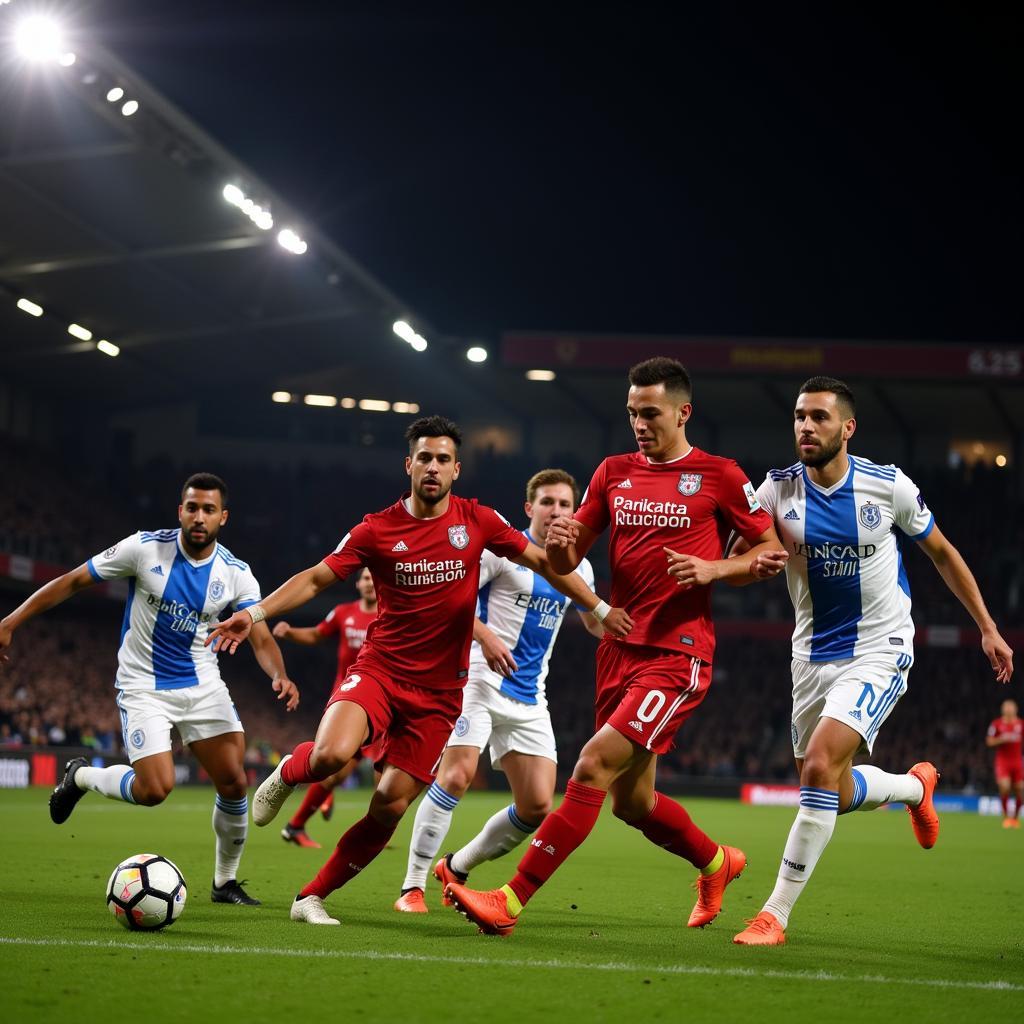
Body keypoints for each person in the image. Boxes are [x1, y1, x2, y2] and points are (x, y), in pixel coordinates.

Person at [206, 416, 633, 925]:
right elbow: (318, 577)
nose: (433, 467)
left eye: (443, 459)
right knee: (331, 756)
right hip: (381, 670)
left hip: (440, 694)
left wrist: (603, 612)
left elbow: (545, 564)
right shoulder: (376, 527)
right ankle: (289, 771)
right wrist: (255, 613)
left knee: (388, 805)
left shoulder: (478, 521)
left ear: (457, 469)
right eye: (424, 458)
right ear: (409, 465)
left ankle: (310, 898)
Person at [445, 357, 787, 936]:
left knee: (592, 763)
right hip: (619, 649)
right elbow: (568, 561)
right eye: (631, 413)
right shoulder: (612, 472)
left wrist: (713, 569)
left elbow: (771, 554)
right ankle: (716, 862)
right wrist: (558, 545)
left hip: (677, 655)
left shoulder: (721, 476)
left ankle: (509, 900)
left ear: (684, 412)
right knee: (633, 803)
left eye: (650, 413)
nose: (639, 423)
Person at [730, 376, 1014, 946]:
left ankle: (774, 915)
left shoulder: (887, 487)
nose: (806, 427)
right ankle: (913, 789)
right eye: (799, 417)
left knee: (816, 768)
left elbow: (942, 553)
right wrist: (744, 555)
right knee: (827, 791)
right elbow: (741, 551)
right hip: (809, 655)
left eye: (819, 417)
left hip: (879, 649)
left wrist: (986, 626)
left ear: (847, 427)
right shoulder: (776, 491)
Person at [0, 473, 299, 907]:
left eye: (208, 510)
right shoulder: (144, 548)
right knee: (155, 790)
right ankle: (80, 776)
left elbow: (260, 635)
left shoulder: (235, 574)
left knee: (234, 781)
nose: (199, 517)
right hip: (143, 685)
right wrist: (11, 621)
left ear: (223, 517)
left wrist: (279, 674)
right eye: (192, 508)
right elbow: (73, 581)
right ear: (180, 510)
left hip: (202, 685)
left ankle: (224, 883)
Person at [395, 468, 604, 912]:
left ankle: (456, 866)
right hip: (479, 680)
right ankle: (411, 887)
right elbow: (450, 601)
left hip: (530, 696)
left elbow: (592, 621)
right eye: (548, 502)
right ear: (530, 508)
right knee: (455, 775)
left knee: (537, 805)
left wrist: (629, 628)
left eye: (566, 504)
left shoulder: (579, 565)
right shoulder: (502, 551)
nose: (557, 511)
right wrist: (486, 636)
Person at [274, 567, 379, 848]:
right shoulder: (343, 613)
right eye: (365, 578)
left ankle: (299, 825)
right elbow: (318, 634)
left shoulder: (391, 616)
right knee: (343, 773)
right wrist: (290, 633)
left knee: (362, 776)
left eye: (374, 578)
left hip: (382, 704)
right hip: (350, 704)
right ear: (358, 584)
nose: (370, 583)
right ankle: (298, 824)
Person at [987, 699, 1023, 828]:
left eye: (1010, 707)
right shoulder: (996, 724)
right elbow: (989, 741)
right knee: (1005, 787)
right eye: (1006, 707)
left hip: (1017, 762)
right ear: (1002, 709)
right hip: (1003, 762)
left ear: (1015, 709)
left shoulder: (1021, 724)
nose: (1008, 709)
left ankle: (1015, 818)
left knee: (1021, 791)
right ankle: (1006, 817)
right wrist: (1001, 739)